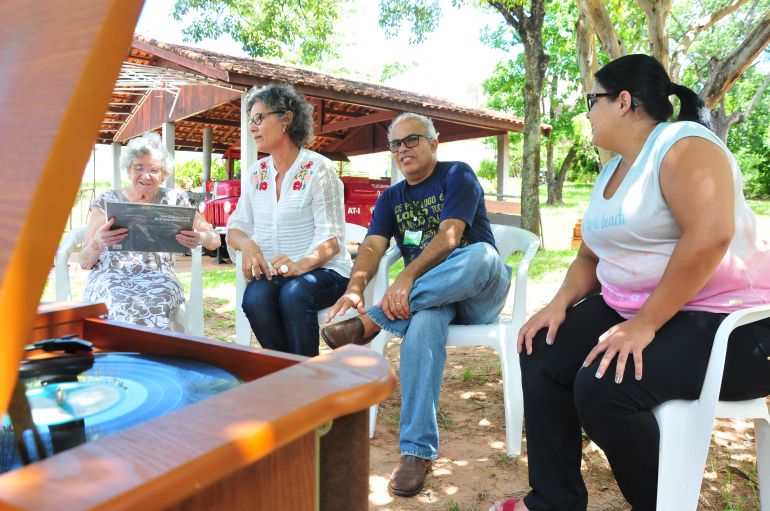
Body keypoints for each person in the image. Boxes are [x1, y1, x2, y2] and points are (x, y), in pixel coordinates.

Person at [489, 54, 770, 511]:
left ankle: (662, 504)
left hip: (730, 326)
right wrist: (559, 302)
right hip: (638, 310)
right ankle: (553, 501)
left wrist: (644, 325)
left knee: (603, 388)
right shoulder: (611, 170)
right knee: (538, 350)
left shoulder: (683, 144)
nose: (586, 111)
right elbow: (589, 253)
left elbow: (710, 234)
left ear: (623, 101)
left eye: (591, 100)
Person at [321, 112, 512, 497]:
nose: (403, 149)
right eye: (396, 144)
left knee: (484, 256)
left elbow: (450, 237)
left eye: (412, 140)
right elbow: (374, 245)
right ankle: (416, 452)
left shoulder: (457, 174)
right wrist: (356, 288)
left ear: (433, 144)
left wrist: (406, 279)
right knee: (423, 324)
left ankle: (373, 321)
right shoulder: (392, 197)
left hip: (475, 291)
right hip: (427, 301)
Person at [226, 83, 352, 357]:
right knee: (256, 298)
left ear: (287, 118)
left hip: (324, 271)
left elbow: (332, 241)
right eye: (250, 121)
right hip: (277, 274)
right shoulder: (255, 173)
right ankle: (293, 375)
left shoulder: (319, 169)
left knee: (294, 294)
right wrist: (247, 245)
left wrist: (299, 265)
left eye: (259, 118)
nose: (252, 127)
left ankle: (302, 381)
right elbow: (236, 227)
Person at [80, 132, 221, 331]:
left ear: (163, 174)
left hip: (158, 276)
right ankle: (125, 359)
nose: (145, 175)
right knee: (119, 301)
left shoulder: (175, 200)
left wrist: (201, 237)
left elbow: (215, 240)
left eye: (154, 169)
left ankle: (150, 358)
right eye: (138, 167)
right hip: (110, 275)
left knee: (157, 303)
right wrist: (99, 240)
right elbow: (85, 261)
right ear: (128, 170)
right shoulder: (106, 201)